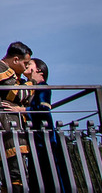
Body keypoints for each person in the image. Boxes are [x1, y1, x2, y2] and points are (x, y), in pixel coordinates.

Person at [0, 41, 34, 190]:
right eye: (25, 64)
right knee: (15, 172)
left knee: (17, 171)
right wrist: (32, 83)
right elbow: (17, 94)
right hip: (5, 122)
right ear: (16, 59)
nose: (26, 68)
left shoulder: (13, 75)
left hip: (12, 122)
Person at [27, 58, 73, 193]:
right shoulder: (32, 89)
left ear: (39, 70)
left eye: (29, 64)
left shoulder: (43, 87)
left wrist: (21, 110)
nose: (26, 66)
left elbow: (43, 108)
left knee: (50, 170)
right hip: (37, 138)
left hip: (45, 138)